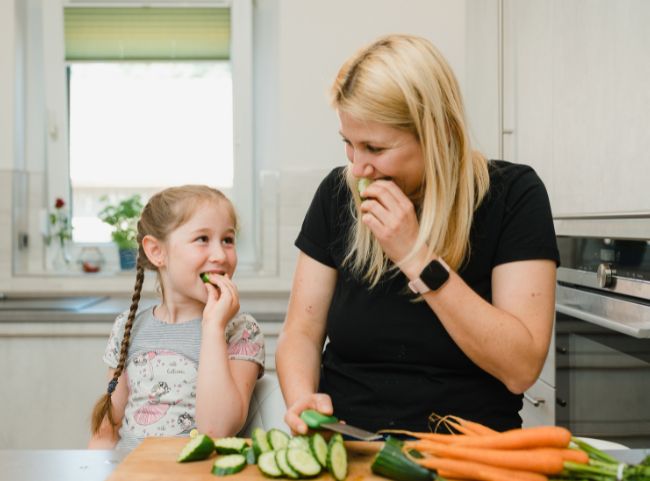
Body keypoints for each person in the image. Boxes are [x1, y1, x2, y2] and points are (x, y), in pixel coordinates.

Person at [275, 34, 559, 434]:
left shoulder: (513, 195)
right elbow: (300, 333)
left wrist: (415, 257)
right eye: (349, 144)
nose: (357, 167)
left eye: (374, 147)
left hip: (469, 451)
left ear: (438, 132)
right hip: (350, 442)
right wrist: (302, 397)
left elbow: (521, 368)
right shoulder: (336, 195)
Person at [88, 185, 265, 450]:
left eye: (228, 240)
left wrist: (213, 327)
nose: (220, 255)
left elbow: (217, 429)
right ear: (157, 252)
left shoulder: (241, 331)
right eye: (202, 239)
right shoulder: (129, 326)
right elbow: (107, 433)